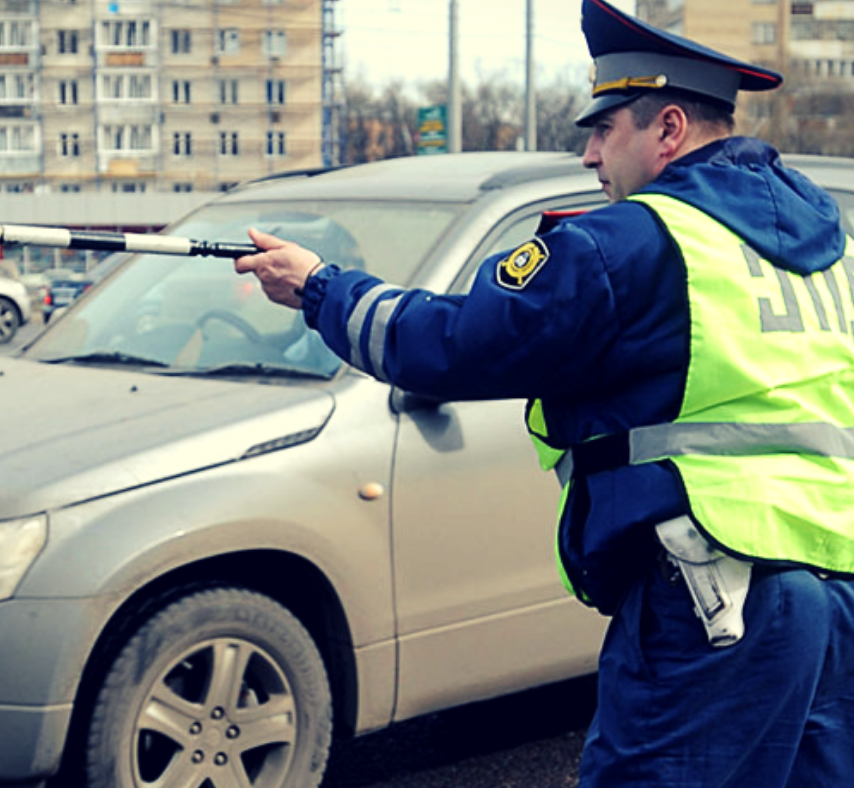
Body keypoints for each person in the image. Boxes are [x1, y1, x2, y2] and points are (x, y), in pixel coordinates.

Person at [236, 0, 854, 785]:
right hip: (836, 591)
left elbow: (449, 344)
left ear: (668, 130)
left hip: (714, 597)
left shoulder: (633, 239)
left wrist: (319, 286)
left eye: (604, 129)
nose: (590, 155)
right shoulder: (827, 244)